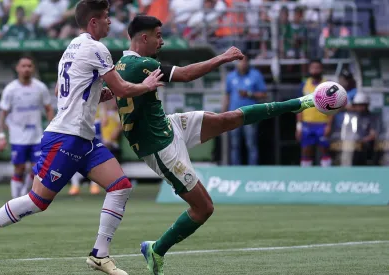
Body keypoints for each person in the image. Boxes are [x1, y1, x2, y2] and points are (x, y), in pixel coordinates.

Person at [0, 2, 163, 275]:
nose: (110, 23)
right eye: (105, 18)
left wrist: (96, 93)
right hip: (66, 137)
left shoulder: (71, 48)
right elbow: (122, 88)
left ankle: (100, 254)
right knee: (37, 201)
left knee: (120, 186)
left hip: (83, 137)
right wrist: (146, 85)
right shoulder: (96, 48)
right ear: (93, 22)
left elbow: (63, 89)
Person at [113, 15, 316, 275]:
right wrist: (222, 58)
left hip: (167, 125)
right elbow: (185, 75)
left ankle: (299, 103)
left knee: (227, 119)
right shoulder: (141, 64)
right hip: (159, 146)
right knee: (204, 208)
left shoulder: (121, 64)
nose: (161, 42)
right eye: (159, 36)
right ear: (144, 37)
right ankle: (157, 249)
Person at [0, 56, 55, 199]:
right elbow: (3, 113)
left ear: (33, 68)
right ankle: (14, 199)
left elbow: (48, 108)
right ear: (17, 68)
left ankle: (24, 196)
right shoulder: (10, 89)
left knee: (37, 169)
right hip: (18, 136)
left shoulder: (40, 87)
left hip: (36, 135)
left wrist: (51, 129)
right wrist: (1, 136)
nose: (26, 69)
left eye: (29, 66)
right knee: (19, 168)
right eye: (23, 66)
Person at [223, 54, 267, 165]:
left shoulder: (256, 75)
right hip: (233, 115)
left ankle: (252, 171)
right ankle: (235, 171)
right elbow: (227, 96)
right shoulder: (231, 76)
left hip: (249, 116)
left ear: (248, 62)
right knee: (234, 145)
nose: (242, 64)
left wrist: (249, 94)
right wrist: (223, 114)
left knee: (251, 144)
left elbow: (264, 94)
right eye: (239, 61)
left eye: (244, 61)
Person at [295, 60, 332, 167]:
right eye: (313, 68)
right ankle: (305, 178)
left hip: (322, 124)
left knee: (324, 150)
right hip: (307, 124)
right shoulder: (304, 85)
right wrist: (299, 126)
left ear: (322, 69)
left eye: (317, 68)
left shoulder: (328, 85)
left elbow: (334, 107)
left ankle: (327, 176)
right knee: (306, 151)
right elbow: (299, 107)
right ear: (309, 69)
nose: (315, 70)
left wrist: (329, 125)